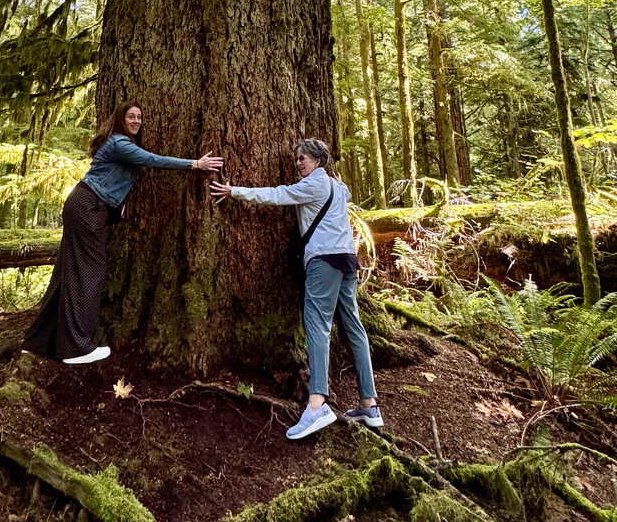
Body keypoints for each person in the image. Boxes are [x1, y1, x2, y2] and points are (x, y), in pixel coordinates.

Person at [24, 100, 223, 364]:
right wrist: (195, 164)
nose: (137, 121)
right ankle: (75, 348)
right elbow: (152, 160)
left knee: (67, 273)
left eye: (140, 117)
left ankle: (39, 341)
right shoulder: (120, 143)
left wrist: (116, 209)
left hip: (82, 204)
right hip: (87, 207)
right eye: (131, 116)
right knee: (89, 274)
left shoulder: (117, 143)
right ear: (121, 119)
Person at [210, 137, 383, 439]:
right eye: (298, 158)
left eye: (304, 158)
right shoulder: (337, 188)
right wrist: (340, 183)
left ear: (318, 162)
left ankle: (317, 404)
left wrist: (233, 191)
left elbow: (277, 195)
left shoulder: (314, 185)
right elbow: (347, 191)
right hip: (348, 261)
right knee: (353, 328)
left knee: (317, 325)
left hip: (324, 261)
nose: (298, 162)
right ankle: (370, 405)